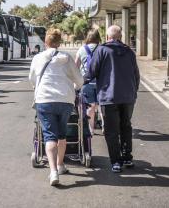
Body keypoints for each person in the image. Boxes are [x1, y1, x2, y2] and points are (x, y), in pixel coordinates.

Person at [29, 28, 83, 186]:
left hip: (44, 100)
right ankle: (60, 165)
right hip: (65, 99)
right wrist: (73, 87)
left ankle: (53, 172)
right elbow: (79, 80)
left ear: (46, 42)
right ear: (59, 42)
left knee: (49, 135)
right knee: (61, 134)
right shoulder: (66, 58)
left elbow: (32, 79)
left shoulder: (38, 58)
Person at [86, 25, 140, 173]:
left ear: (108, 37)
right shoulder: (129, 51)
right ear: (120, 37)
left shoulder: (102, 50)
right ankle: (127, 157)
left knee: (111, 130)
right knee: (126, 126)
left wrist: (80, 82)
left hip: (108, 97)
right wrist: (134, 91)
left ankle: (116, 162)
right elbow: (136, 75)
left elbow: (91, 72)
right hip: (128, 97)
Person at [75, 29, 101, 135]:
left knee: (90, 106)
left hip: (86, 82)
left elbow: (76, 66)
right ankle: (105, 127)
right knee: (101, 106)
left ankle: (91, 129)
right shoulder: (102, 48)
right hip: (101, 82)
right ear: (98, 37)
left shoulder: (82, 49)